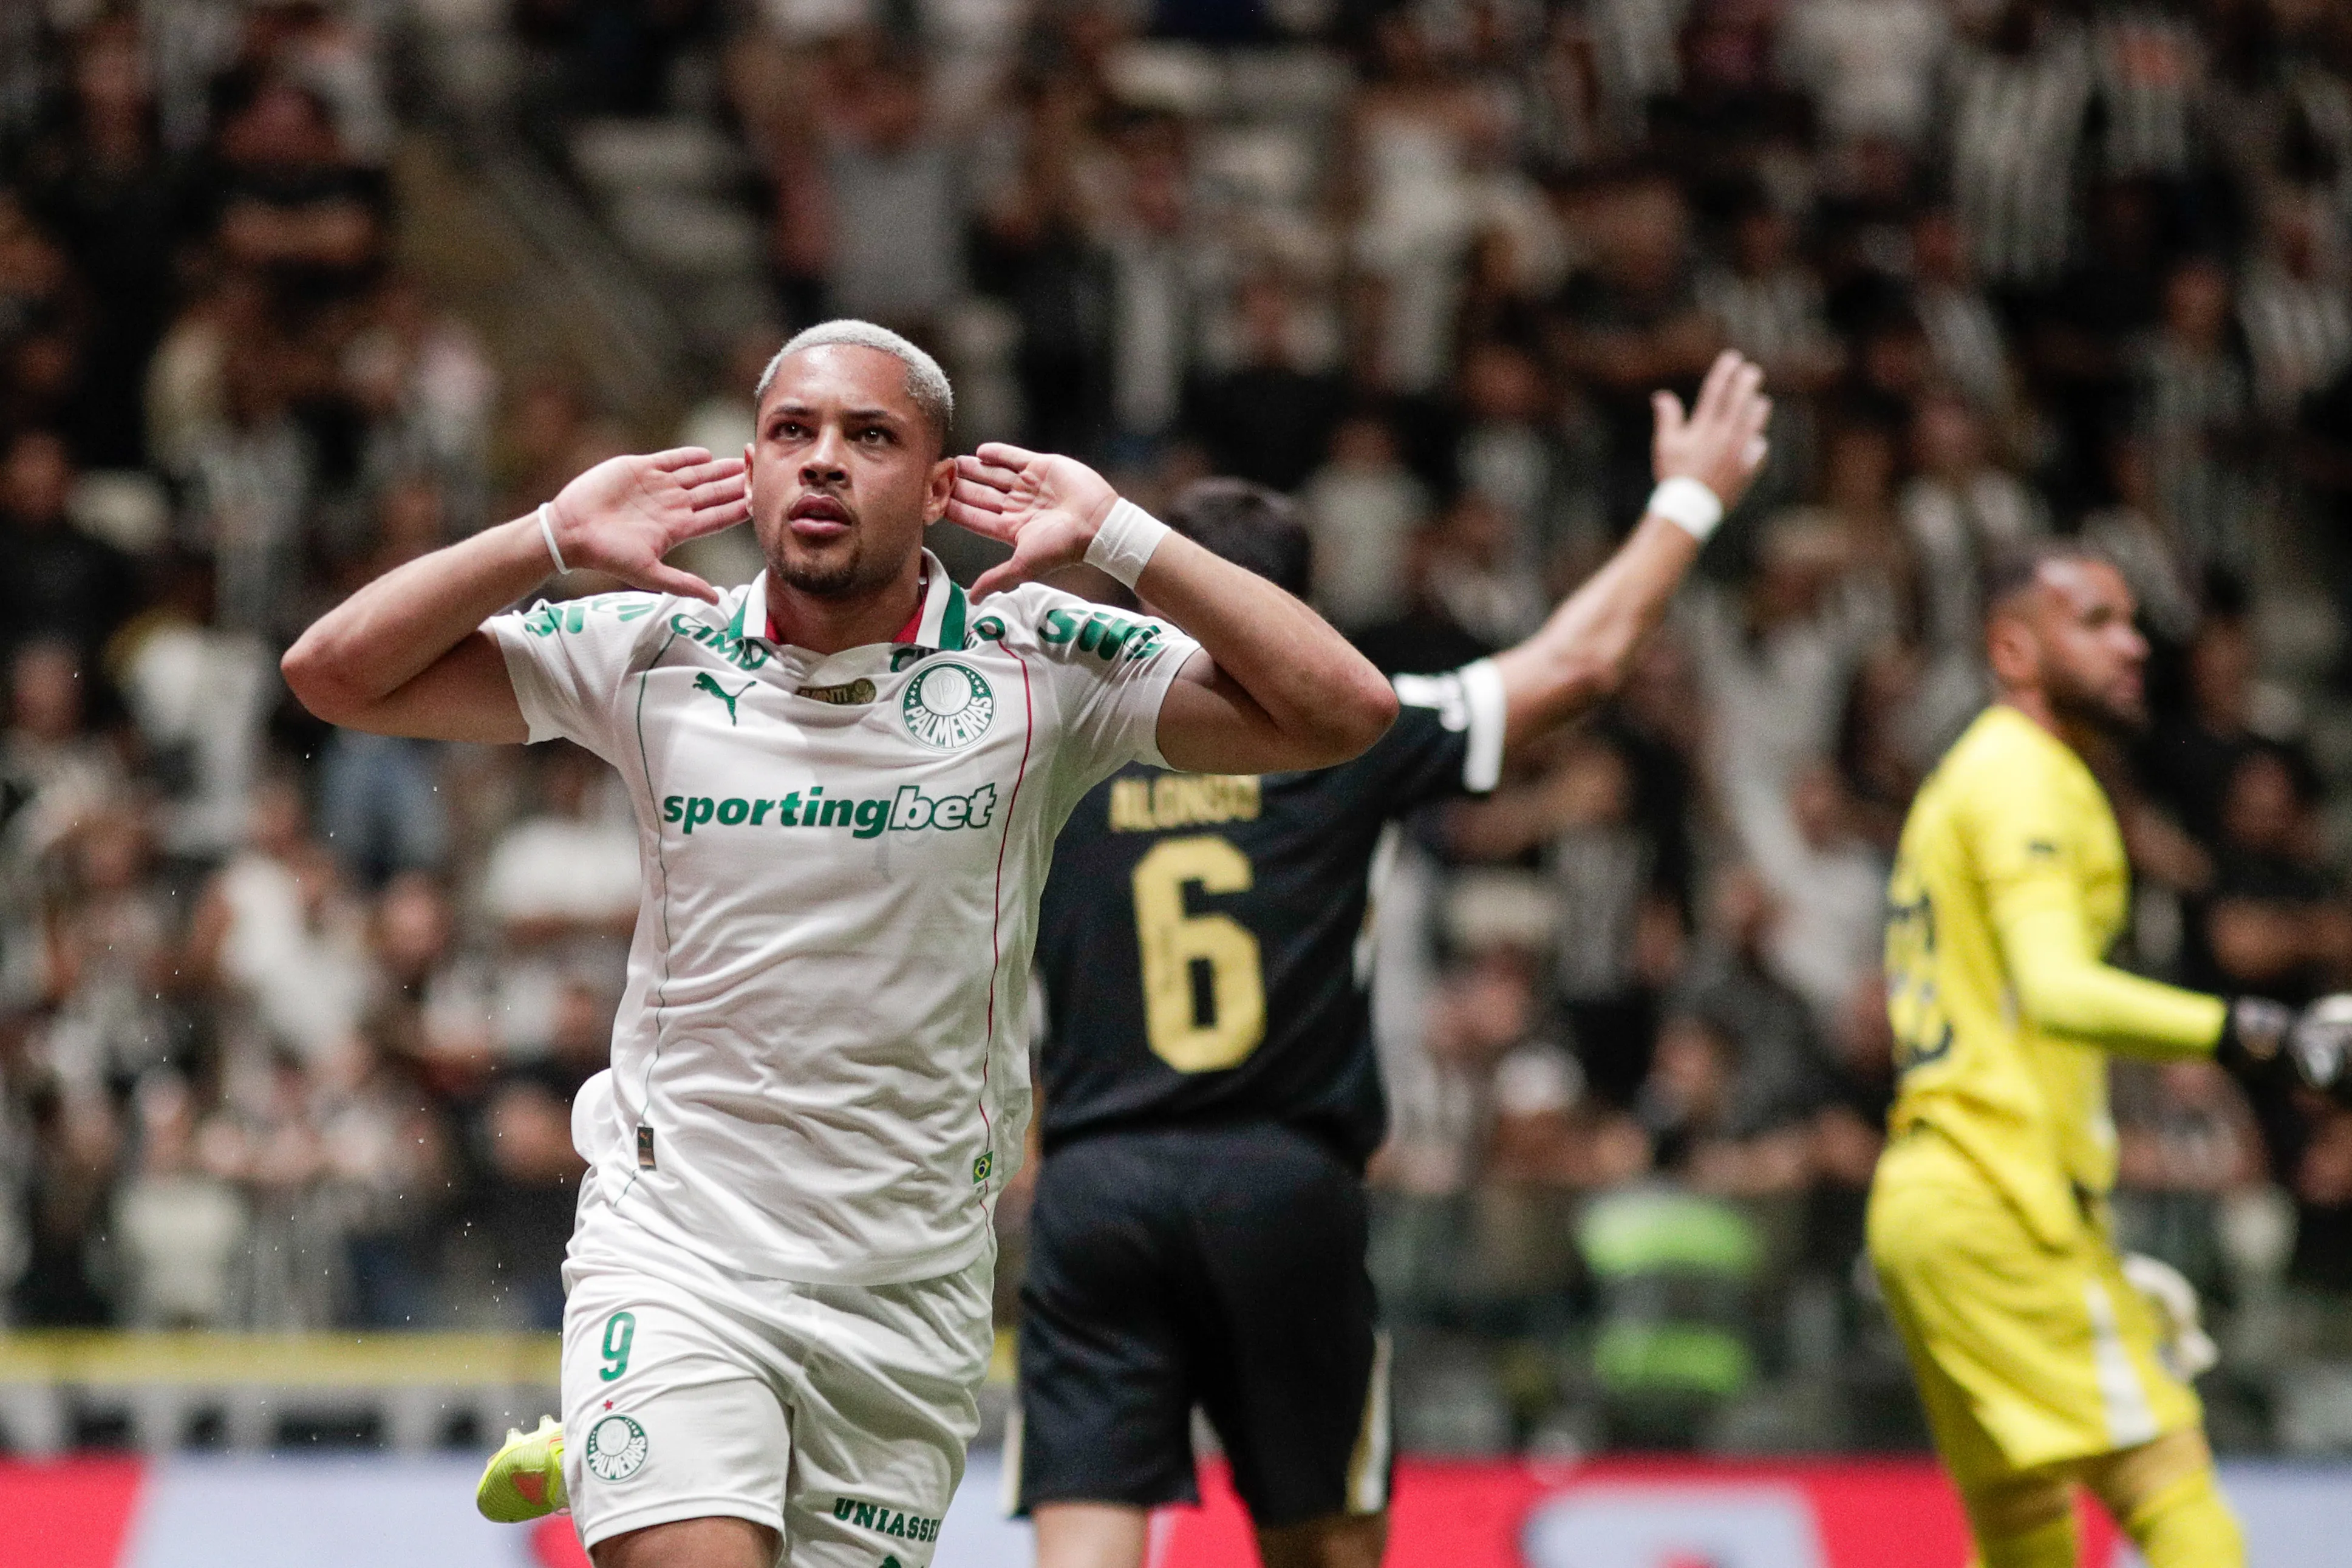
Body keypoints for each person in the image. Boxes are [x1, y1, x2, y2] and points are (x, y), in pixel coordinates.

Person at [278, 319, 1397, 1568]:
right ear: (748, 470)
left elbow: (1345, 714)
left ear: (936, 488)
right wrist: (545, 537)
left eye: (869, 437)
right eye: (790, 433)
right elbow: (332, 675)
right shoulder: (654, 645)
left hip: (905, 1284)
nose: (821, 462)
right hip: (680, 1249)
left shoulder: (1040, 663)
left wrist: (1121, 537)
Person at [1014, 350, 1773, 1568]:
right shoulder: (1348, 734)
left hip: (1096, 1185)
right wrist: (1686, 499)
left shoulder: (1061, 747)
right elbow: (1577, 664)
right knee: (1327, 1548)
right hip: (1280, 1183)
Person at [1869, 540, 2352, 1568]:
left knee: (2023, 1533)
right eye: (2093, 621)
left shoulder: (1977, 775)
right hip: (1999, 1196)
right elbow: (2055, 990)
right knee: (2170, 1488)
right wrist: (2261, 1036)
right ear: (2012, 646)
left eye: (2132, 622)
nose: (2133, 646)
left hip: (1938, 1203)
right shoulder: (2024, 777)